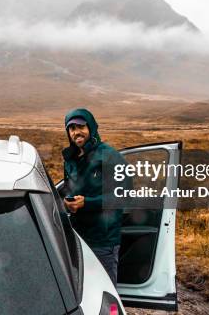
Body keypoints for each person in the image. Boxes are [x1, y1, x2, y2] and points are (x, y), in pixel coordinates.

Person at [61, 108, 129, 285]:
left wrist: (87, 204)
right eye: (72, 128)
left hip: (103, 240)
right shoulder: (70, 160)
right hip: (77, 236)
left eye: (81, 126)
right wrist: (65, 201)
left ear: (91, 127)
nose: (76, 132)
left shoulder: (110, 156)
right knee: (83, 287)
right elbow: (68, 189)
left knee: (104, 287)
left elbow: (123, 196)